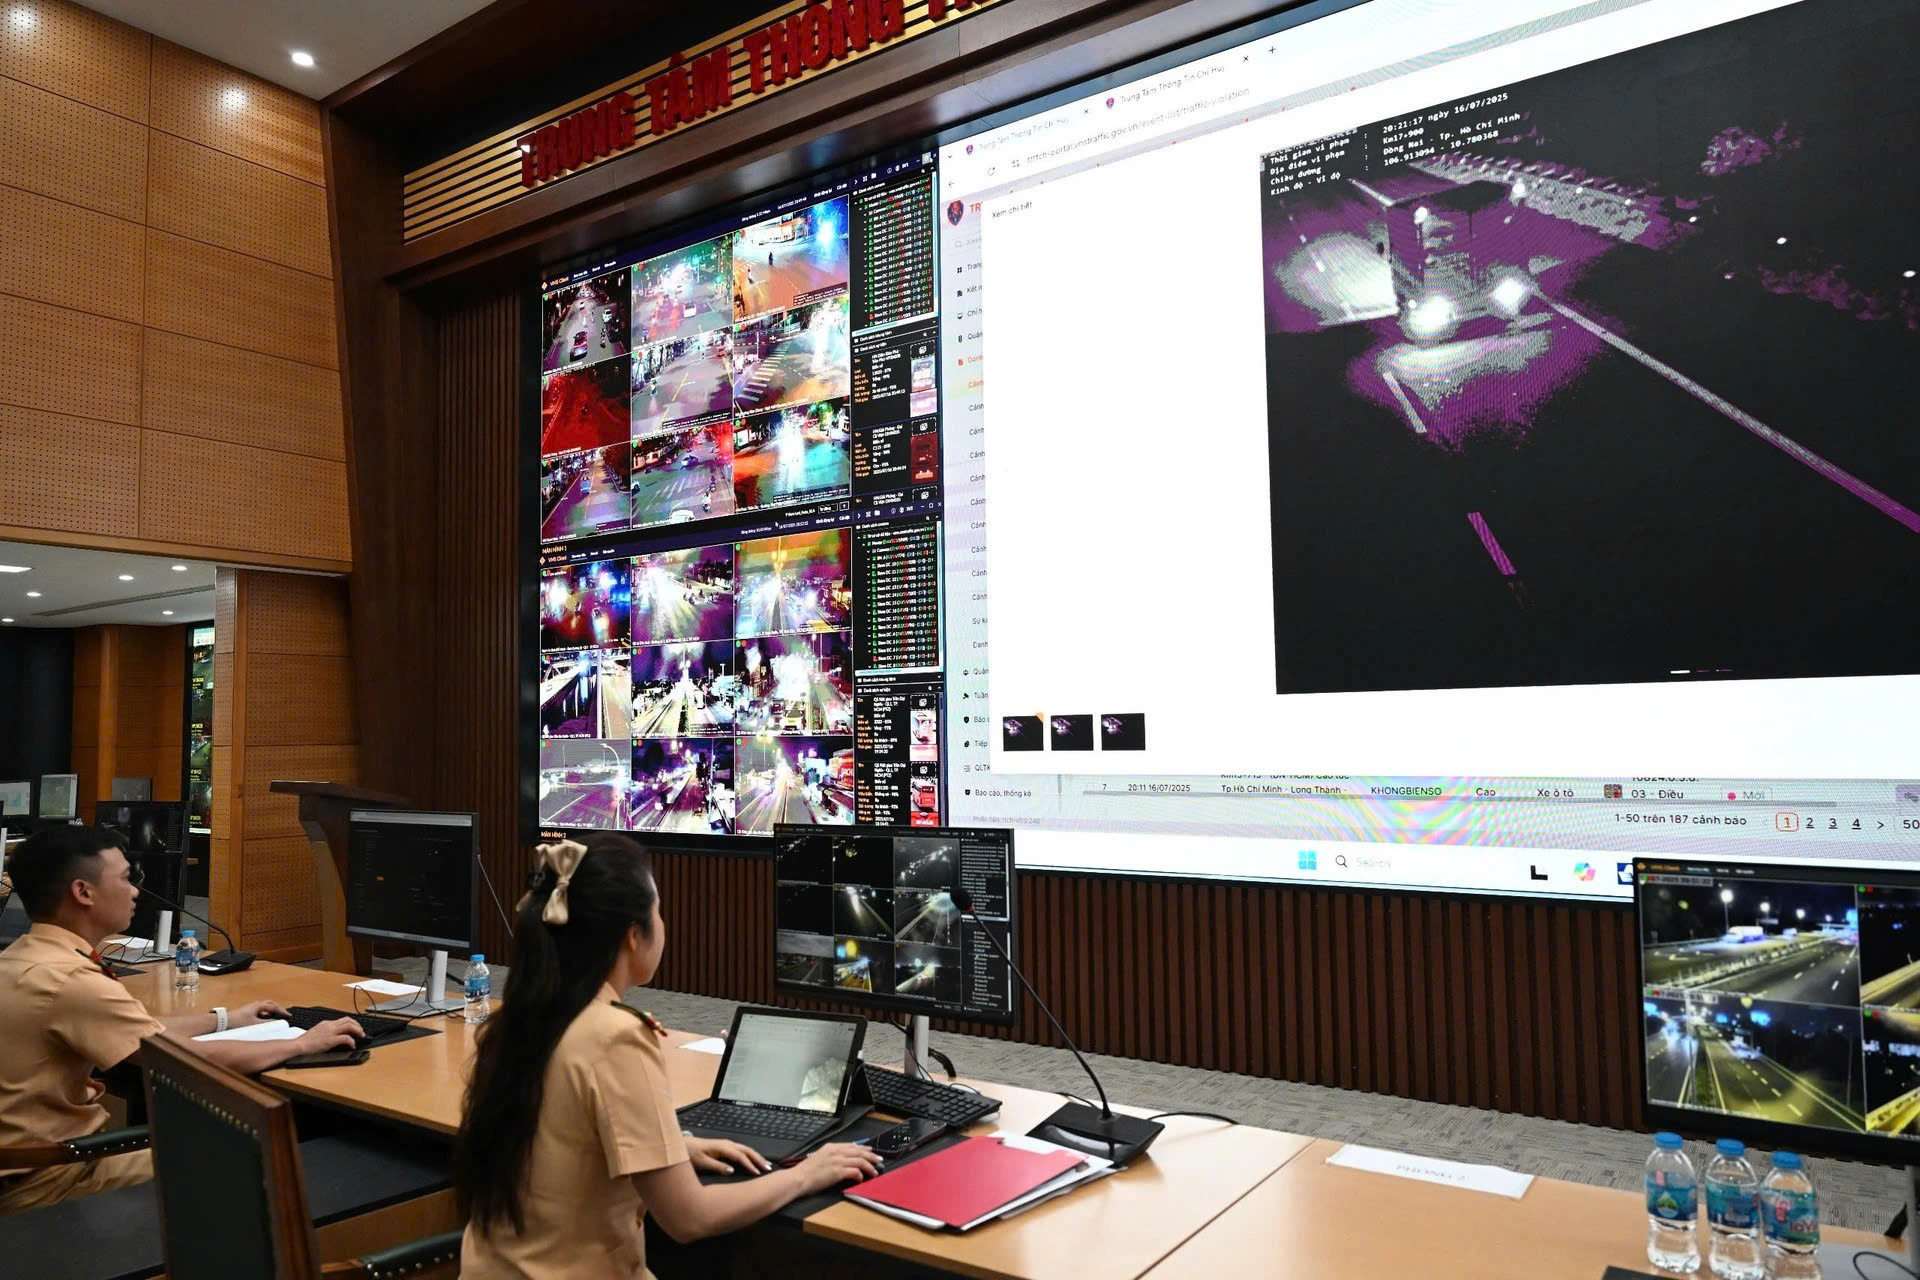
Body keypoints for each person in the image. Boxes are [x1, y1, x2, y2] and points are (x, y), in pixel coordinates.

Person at [455, 835, 880, 1278]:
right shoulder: (615, 1036)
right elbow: (689, 1218)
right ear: (632, 936)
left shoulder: (517, 1019)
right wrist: (806, 1174)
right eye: (658, 911)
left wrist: (673, 1149)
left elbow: (561, 1139)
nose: (662, 923)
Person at [0, 825, 362, 1215]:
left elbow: (143, 1032)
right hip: (53, 1179)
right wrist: (303, 1043)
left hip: (30, 1161)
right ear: (83, 892)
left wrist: (226, 1018)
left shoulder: (26, 957)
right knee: (260, 1152)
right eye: (125, 879)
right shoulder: (72, 980)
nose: (135, 891)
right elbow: (187, 1060)